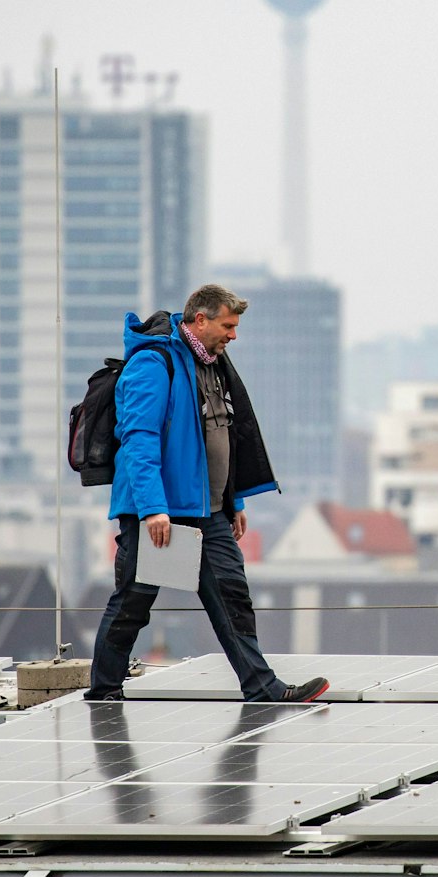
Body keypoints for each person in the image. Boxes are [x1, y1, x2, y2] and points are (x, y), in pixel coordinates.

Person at [84, 284, 329, 704]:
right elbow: (139, 440)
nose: (234, 335)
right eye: (228, 326)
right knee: (133, 603)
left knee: (233, 597)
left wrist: (235, 501)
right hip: (156, 512)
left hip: (208, 511)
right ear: (200, 320)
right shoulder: (153, 362)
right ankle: (103, 691)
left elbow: (221, 435)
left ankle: (263, 688)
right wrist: (153, 509)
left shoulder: (212, 363)